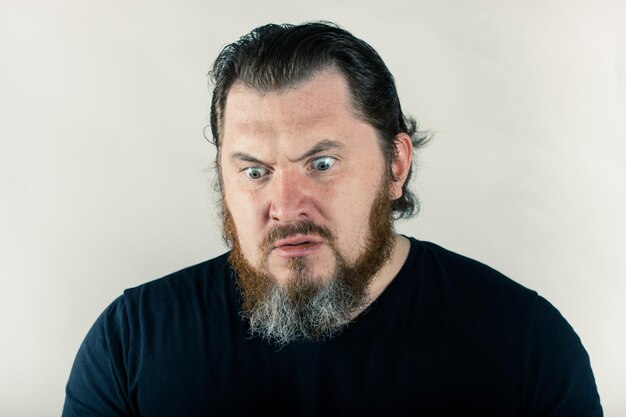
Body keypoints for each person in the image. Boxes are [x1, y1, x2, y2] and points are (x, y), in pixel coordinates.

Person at [62, 22, 602, 416]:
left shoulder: (526, 345)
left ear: (396, 164)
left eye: (321, 164)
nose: (286, 204)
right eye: (254, 171)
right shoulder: (130, 344)